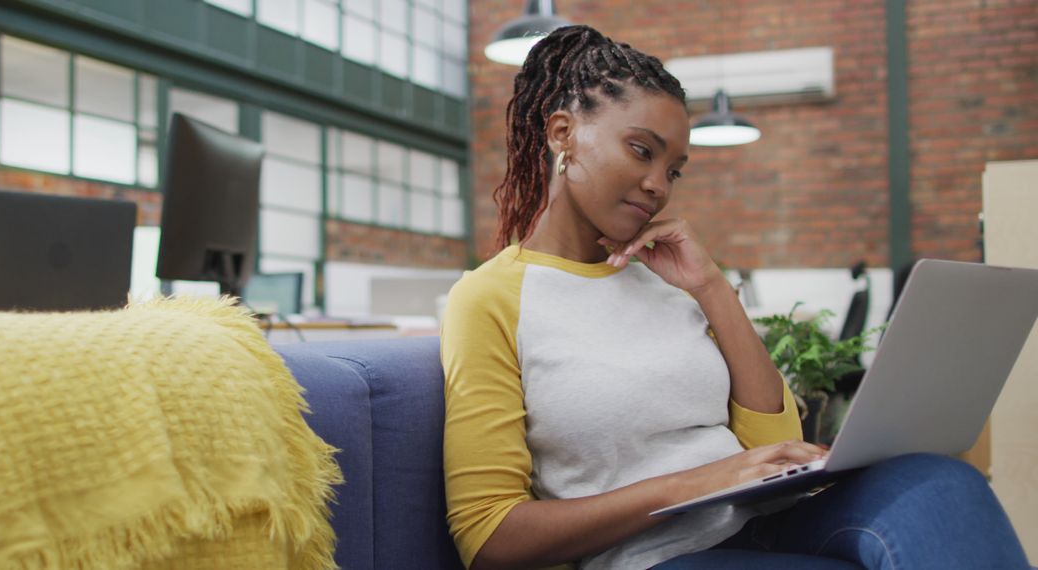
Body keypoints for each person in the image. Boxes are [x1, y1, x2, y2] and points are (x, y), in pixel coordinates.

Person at [440, 24, 1029, 570]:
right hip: (660, 554)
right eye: (642, 151)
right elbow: (489, 536)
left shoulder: (670, 279)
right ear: (563, 133)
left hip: (765, 520)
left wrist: (711, 288)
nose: (657, 185)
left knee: (940, 481)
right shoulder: (490, 298)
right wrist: (701, 481)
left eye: (675, 170)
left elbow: (775, 445)